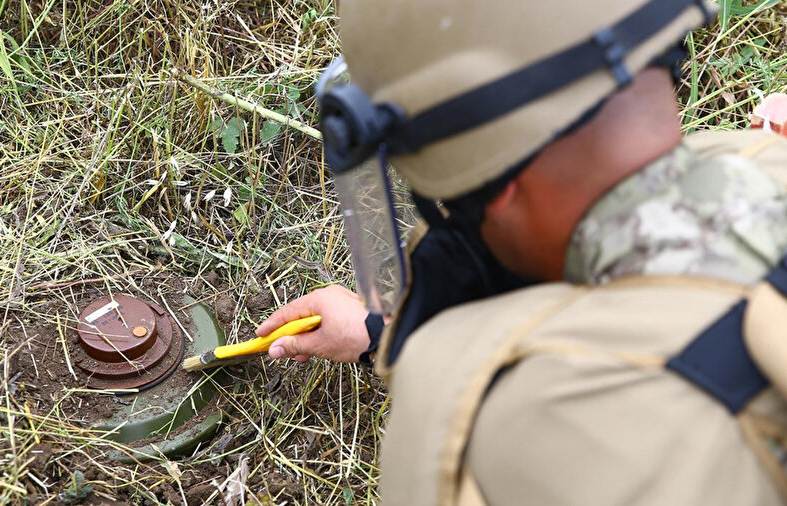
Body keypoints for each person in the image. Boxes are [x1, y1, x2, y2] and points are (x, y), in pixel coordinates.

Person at [258, 0, 787, 504]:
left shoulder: (536, 420)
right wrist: (375, 334)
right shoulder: (759, 154)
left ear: (491, 179)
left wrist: (435, 360)